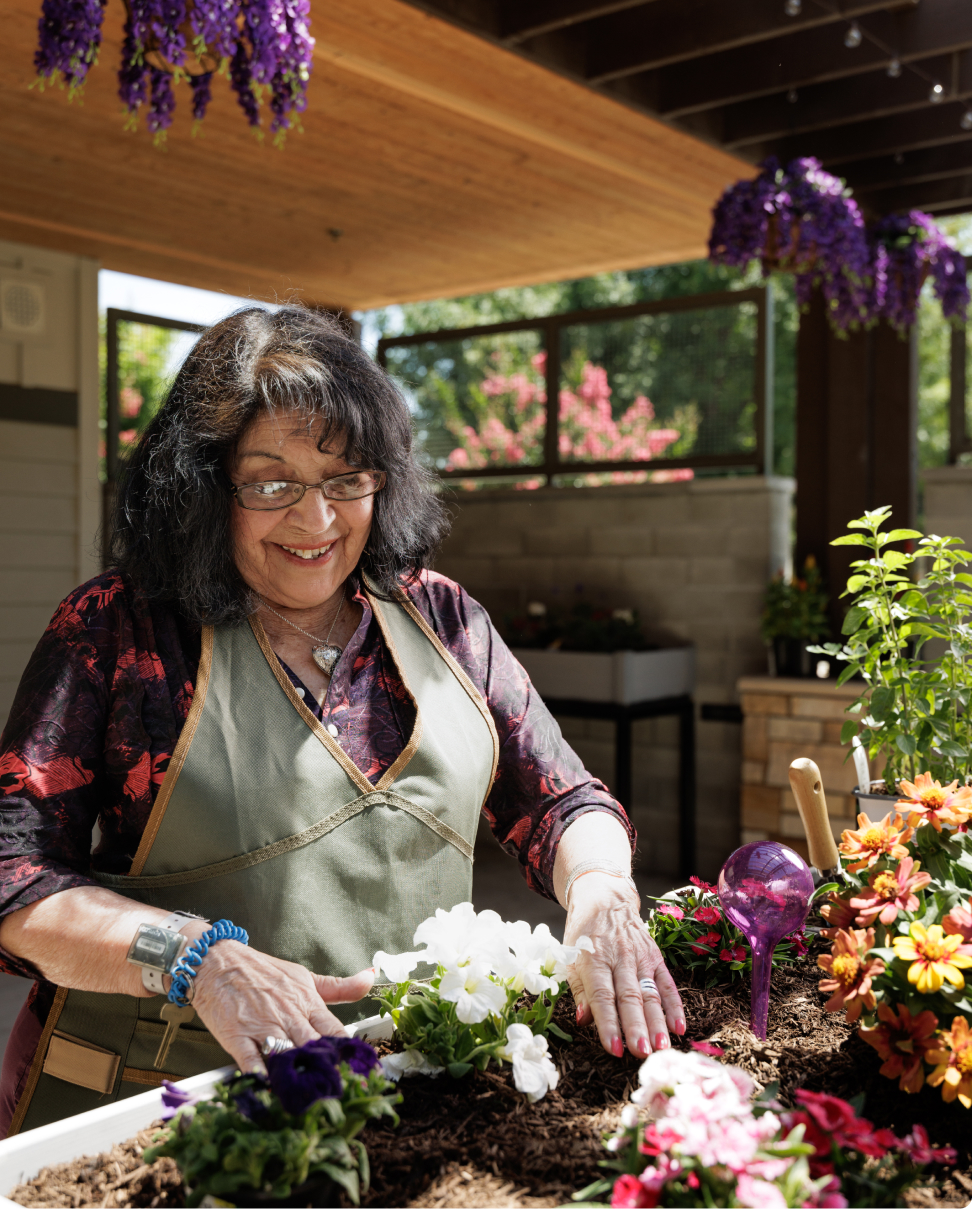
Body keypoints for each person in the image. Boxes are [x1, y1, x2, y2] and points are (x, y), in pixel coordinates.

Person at [0, 306, 684, 1136]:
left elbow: (560, 802)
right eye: (271, 483)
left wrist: (603, 889)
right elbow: (15, 879)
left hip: (390, 1104)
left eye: (345, 479)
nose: (316, 520)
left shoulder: (443, 619)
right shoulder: (121, 630)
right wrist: (194, 957)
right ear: (202, 485)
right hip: (150, 1111)